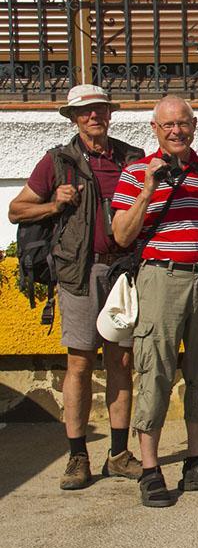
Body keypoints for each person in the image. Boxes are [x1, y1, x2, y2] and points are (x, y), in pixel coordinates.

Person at [8, 85, 144, 489]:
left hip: (122, 273)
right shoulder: (57, 162)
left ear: (109, 114)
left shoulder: (131, 158)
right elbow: (17, 210)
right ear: (73, 118)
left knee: (121, 363)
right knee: (80, 364)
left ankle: (118, 454)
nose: (94, 117)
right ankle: (78, 456)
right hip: (78, 274)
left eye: (100, 109)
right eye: (85, 112)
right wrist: (55, 203)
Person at [110, 95, 198, 508]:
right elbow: (121, 235)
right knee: (156, 370)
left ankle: (195, 463)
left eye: (182, 123)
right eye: (167, 125)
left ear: (195, 125)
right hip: (160, 278)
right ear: (155, 129)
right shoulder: (135, 173)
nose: (176, 131)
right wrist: (148, 188)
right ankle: (150, 471)